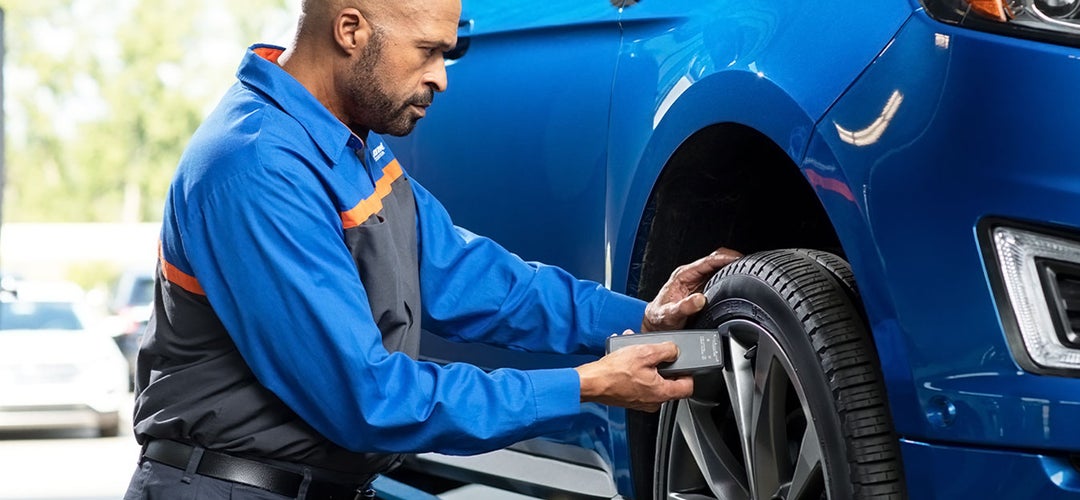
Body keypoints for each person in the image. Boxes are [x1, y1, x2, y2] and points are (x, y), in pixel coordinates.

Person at [124, 0, 741, 498]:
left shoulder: (349, 148)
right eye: (429, 52)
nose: (442, 78)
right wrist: (583, 386)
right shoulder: (257, 166)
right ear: (350, 30)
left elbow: (475, 281)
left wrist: (637, 318)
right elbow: (369, 398)